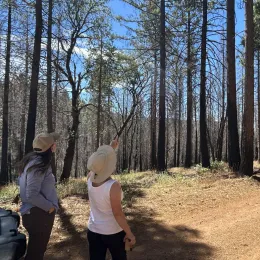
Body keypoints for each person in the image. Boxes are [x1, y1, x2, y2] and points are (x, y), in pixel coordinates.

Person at [87, 138, 136, 260]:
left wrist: (110, 148)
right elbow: (118, 213)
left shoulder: (89, 177)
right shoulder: (113, 186)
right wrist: (129, 233)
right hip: (113, 233)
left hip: (93, 231)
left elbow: (97, 166)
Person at [18, 132, 59, 260]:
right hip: (39, 216)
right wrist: (50, 207)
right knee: (35, 254)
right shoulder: (39, 165)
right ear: (51, 147)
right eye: (54, 143)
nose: (56, 145)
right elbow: (31, 194)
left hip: (35, 214)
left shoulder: (31, 161)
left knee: (35, 252)